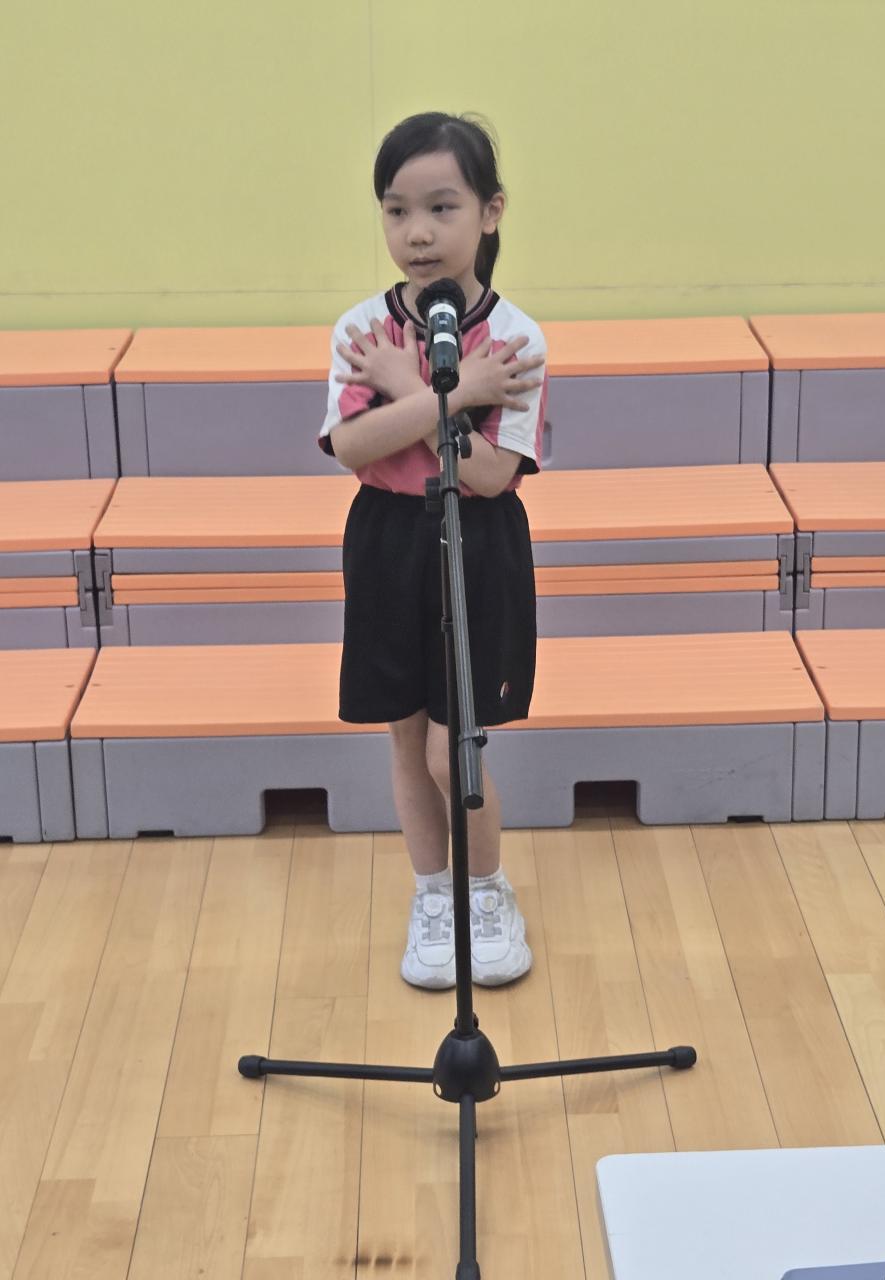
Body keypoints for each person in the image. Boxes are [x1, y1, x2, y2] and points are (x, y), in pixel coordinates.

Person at [318, 111, 547, 991]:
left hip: (476, 540)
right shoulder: (360, 330)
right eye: (396, 210)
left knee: (459, 747)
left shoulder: (516, 338)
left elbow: (491, 473)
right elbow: (351, 446)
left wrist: (409, 390)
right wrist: (452, 393)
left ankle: (485, 892)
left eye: (441, 208)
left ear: (490, 212)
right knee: (408, 739)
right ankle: (432, 896)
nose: (417, 233)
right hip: (387, 539)